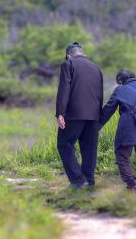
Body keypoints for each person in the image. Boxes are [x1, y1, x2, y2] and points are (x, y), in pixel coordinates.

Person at [56, 42, 104, 189]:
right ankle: (89, 181)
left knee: (64, 144)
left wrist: (60, 112)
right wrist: (99, 115)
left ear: (68, 55)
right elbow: (100, 94)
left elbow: (64, 88)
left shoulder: (68, 64)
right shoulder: (96, 68)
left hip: (74, 114)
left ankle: (78, 180)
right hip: (94, 115)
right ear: (84, 54)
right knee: (89, 148)